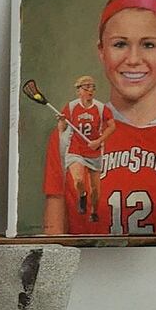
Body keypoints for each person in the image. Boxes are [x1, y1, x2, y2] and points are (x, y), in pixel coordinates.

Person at [42, 0, 156, 235]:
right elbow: (53, 245)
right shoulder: (66, 137)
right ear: (101, 51)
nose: (133, 59)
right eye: (120, 44)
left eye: (148, 45)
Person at [51, 76, 115, 226]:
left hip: (94, 152)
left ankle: (93, 211)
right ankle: (81, 195)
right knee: (78, 180)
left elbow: (112, 126)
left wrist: (99, 141)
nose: (90, 90)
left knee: (95, 190)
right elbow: (62, 129)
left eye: (92, 87)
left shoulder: (100, 108)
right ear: (79, 91)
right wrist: (61, 120)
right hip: (76, 150)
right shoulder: (71, 107)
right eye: (86, 87)